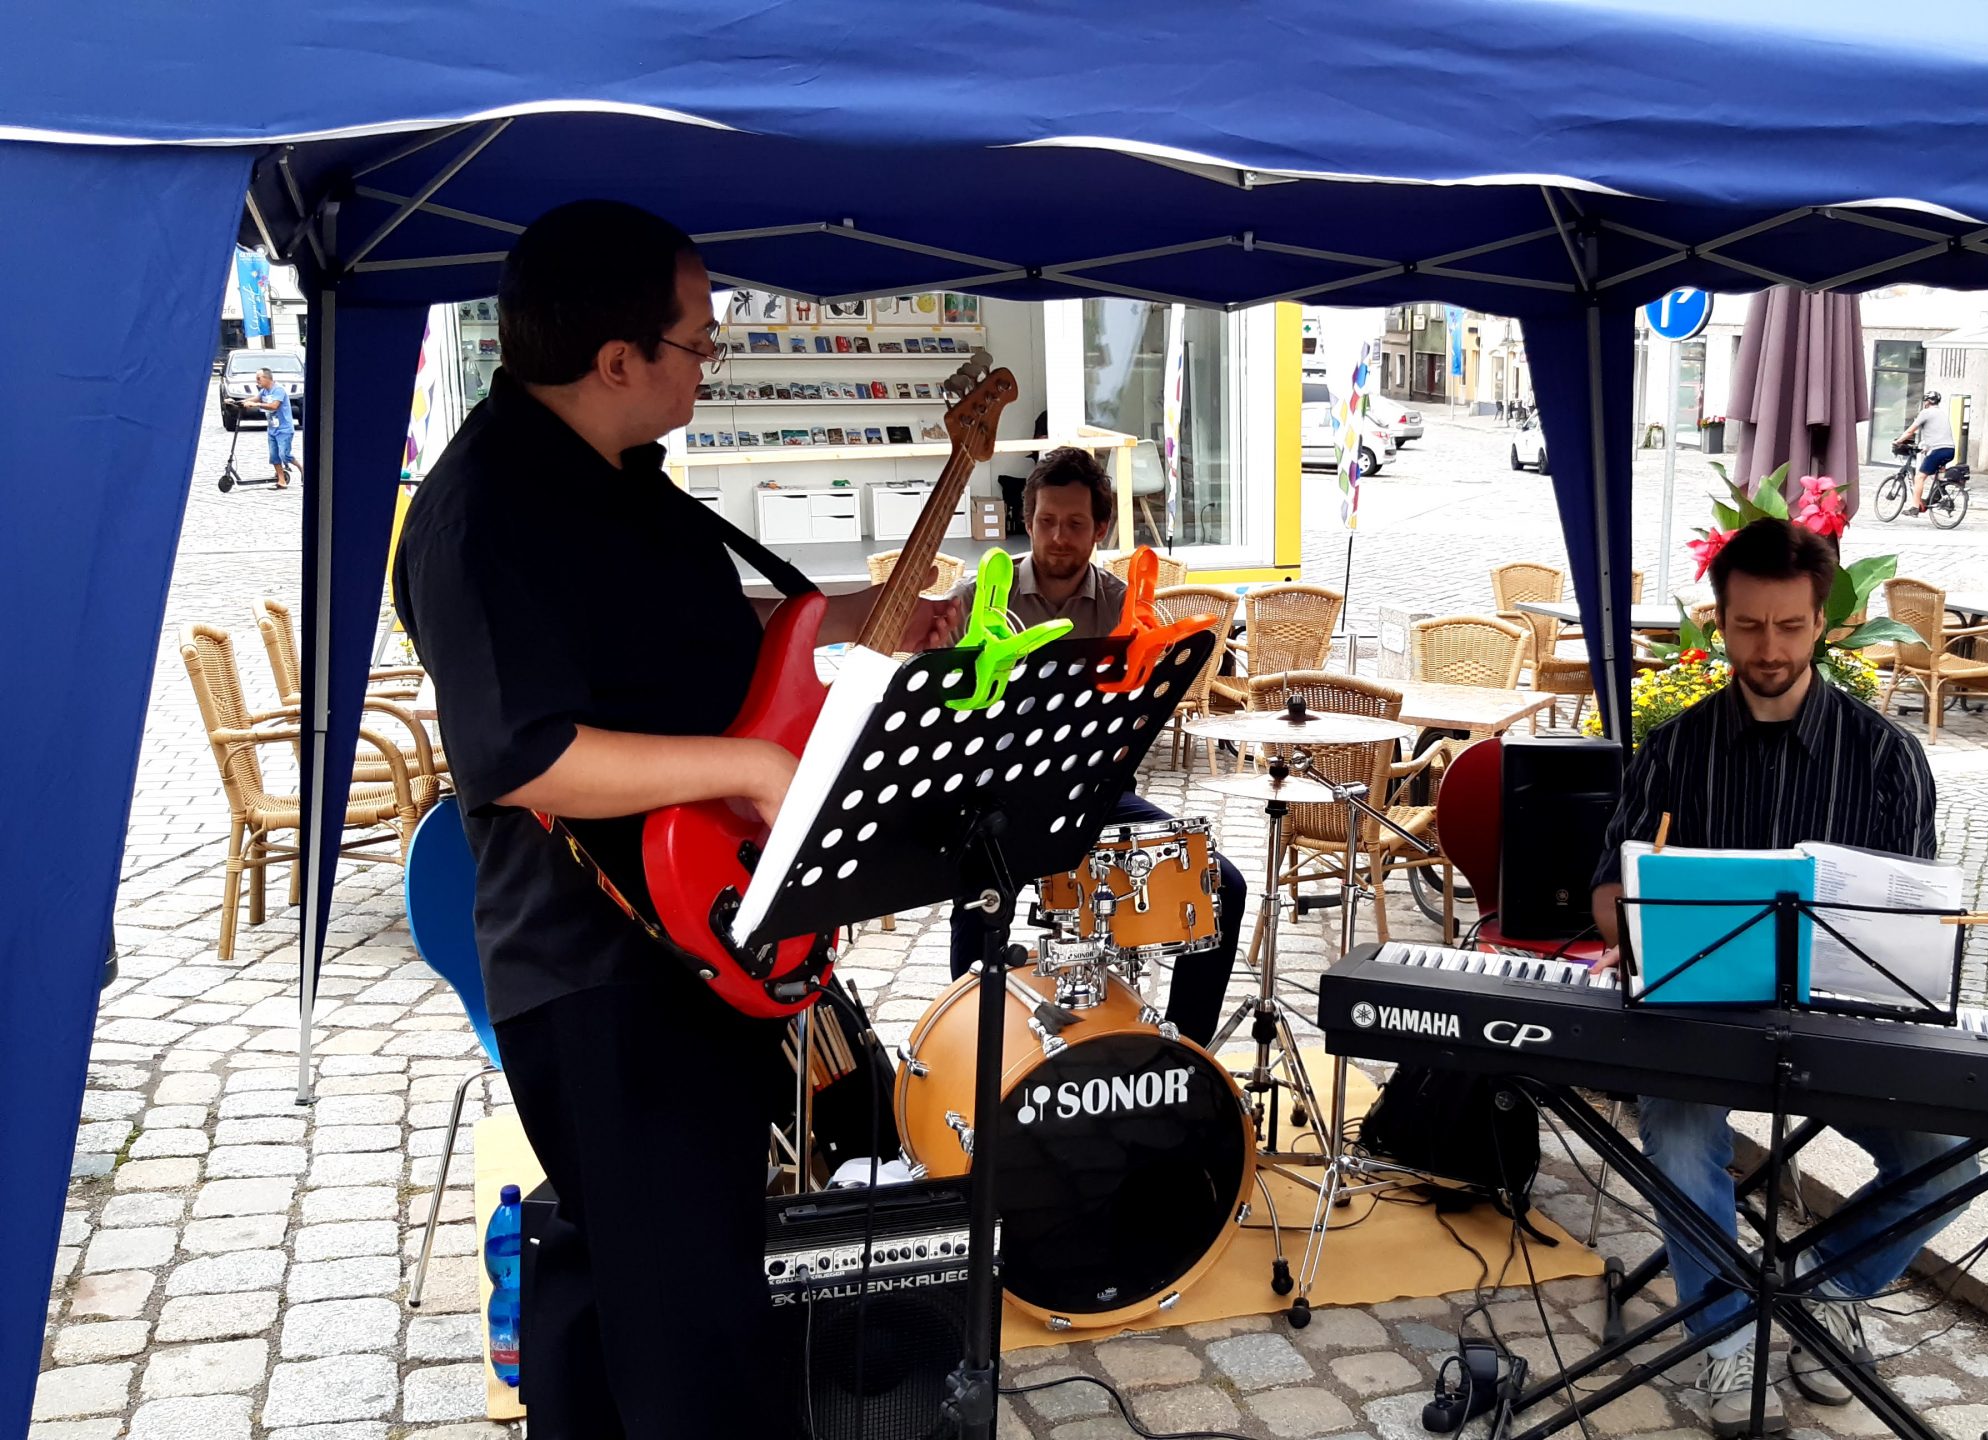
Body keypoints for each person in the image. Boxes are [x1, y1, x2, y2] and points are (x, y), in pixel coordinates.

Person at [393, 199, 947, 1438]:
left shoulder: (625, 478)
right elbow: (524, 756)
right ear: (616, 360)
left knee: (651, 1294)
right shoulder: (486, 510)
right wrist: (751, 767)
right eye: (698, 339)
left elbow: (683, 640)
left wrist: (855, 615)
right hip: (596, 971)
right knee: (690, 1336)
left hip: (696, 934)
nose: (709, 361)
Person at [1588, 517, 1975, 1436]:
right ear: (1718, 623)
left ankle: (1819, 1296)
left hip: (1839, 1031)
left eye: (1791, 627)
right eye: (1749, 626)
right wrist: (1635, 917)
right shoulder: (1674, 748)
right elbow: (1606, 893)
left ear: (1823, 624)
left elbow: (1906, 917)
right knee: (1680, 1136)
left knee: (1946, 1160)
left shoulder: (1887, 756)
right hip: (1700, 1022)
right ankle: (1724, 1338)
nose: (1769, 649)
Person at [933, 446, 1246, 1045]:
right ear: (1028, 520)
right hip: (996, 802)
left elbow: (1137, 725)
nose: (1058, 537)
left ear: (1100, 529)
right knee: (980, 905)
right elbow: (938, 710)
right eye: (1047, 520)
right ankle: (975, 1053)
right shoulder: (978, 598)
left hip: (1095, 797)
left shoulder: (1123, 607)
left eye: (1075, 523)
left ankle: (1182, 1054)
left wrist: (1149, 684)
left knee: (1223, 887)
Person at [1894, 391, 1956, 516]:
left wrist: (1898, 441)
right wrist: (1927, 446)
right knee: (1935, 475)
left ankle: (1915, 507)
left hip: (1938, 451)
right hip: (1950, 450)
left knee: (1919, 477)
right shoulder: (1942, 413)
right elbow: (1937, 433)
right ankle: (1941, 496)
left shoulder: (1925, 413)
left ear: (1927, 401)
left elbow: (1910, 431)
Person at [253, 367, 296, 489]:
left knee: (284, 455)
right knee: (274, 456)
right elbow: (254, 399)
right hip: (272, 429)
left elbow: (274, 406)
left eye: (259, 378)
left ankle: (302, 468)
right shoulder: (264, 391)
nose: (257, 381)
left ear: (267, 378)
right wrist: (239, 402)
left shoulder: (278, 390)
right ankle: (281, 481)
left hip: (284, 429)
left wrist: (256, 404)